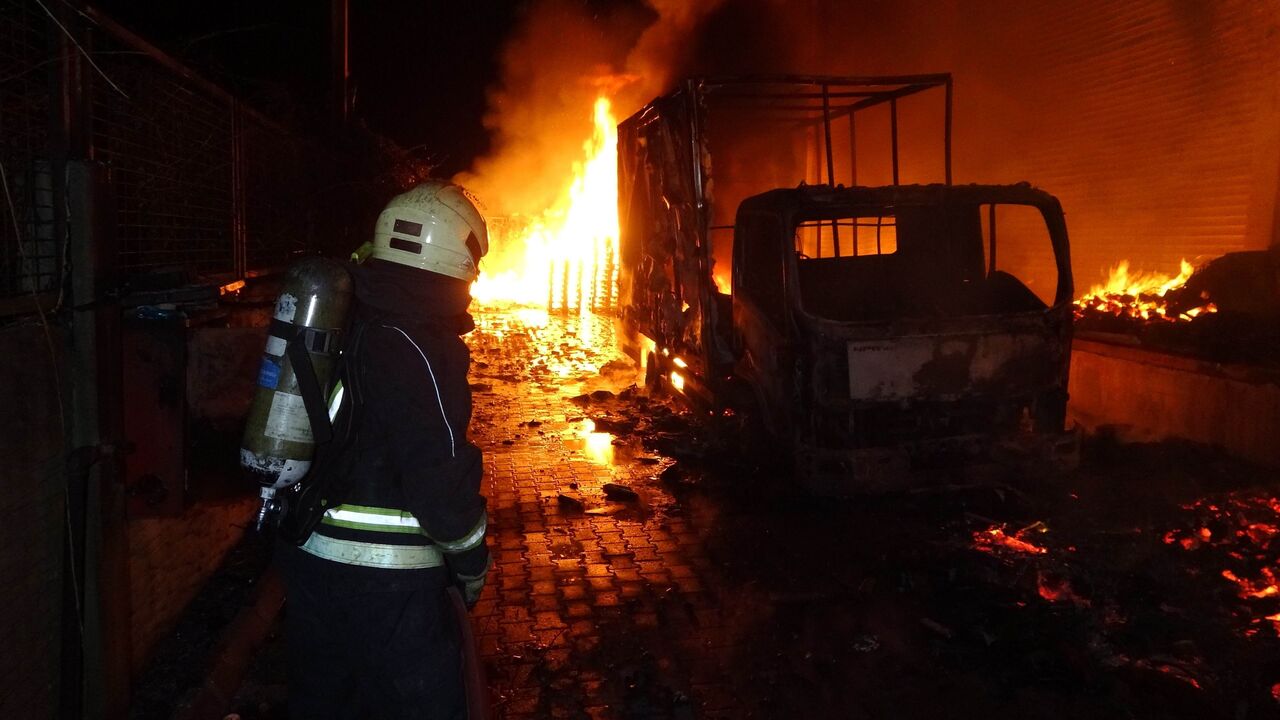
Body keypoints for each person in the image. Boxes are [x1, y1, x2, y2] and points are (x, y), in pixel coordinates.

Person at [277, 181, 490, 719]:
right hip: (388, 585)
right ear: (458, 258)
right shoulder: (423, 344)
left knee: (324, 705)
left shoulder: (351, 314)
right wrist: (471, 563)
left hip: (308, 560)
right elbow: (441, 477)